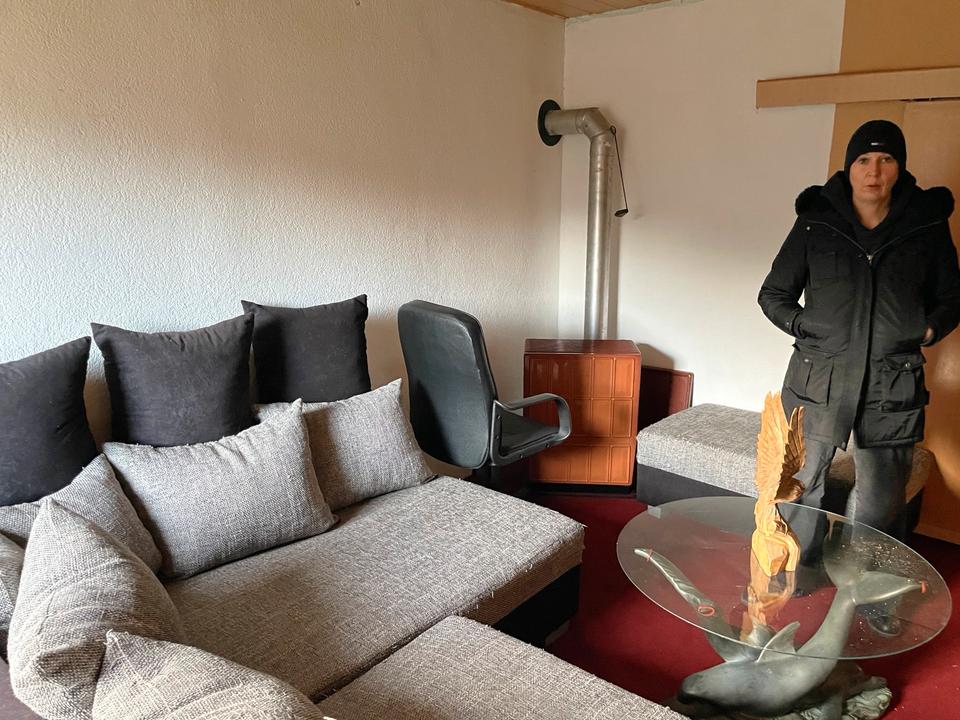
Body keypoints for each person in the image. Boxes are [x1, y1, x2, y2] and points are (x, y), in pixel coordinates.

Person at [759, 120, 960, 632]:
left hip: (891, 382)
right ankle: (795, 569)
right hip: (818, 377)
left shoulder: (925, 225)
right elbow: (773, 294)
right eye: (864, 160)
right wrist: (806, 327)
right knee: (800, 480)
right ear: (849, 168)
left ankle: (870, 593)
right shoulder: (816, 222)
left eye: (886, 160)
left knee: (881, 495)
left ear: (899, 167)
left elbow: (951, 298)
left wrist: (929, 329)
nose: (874, 171)